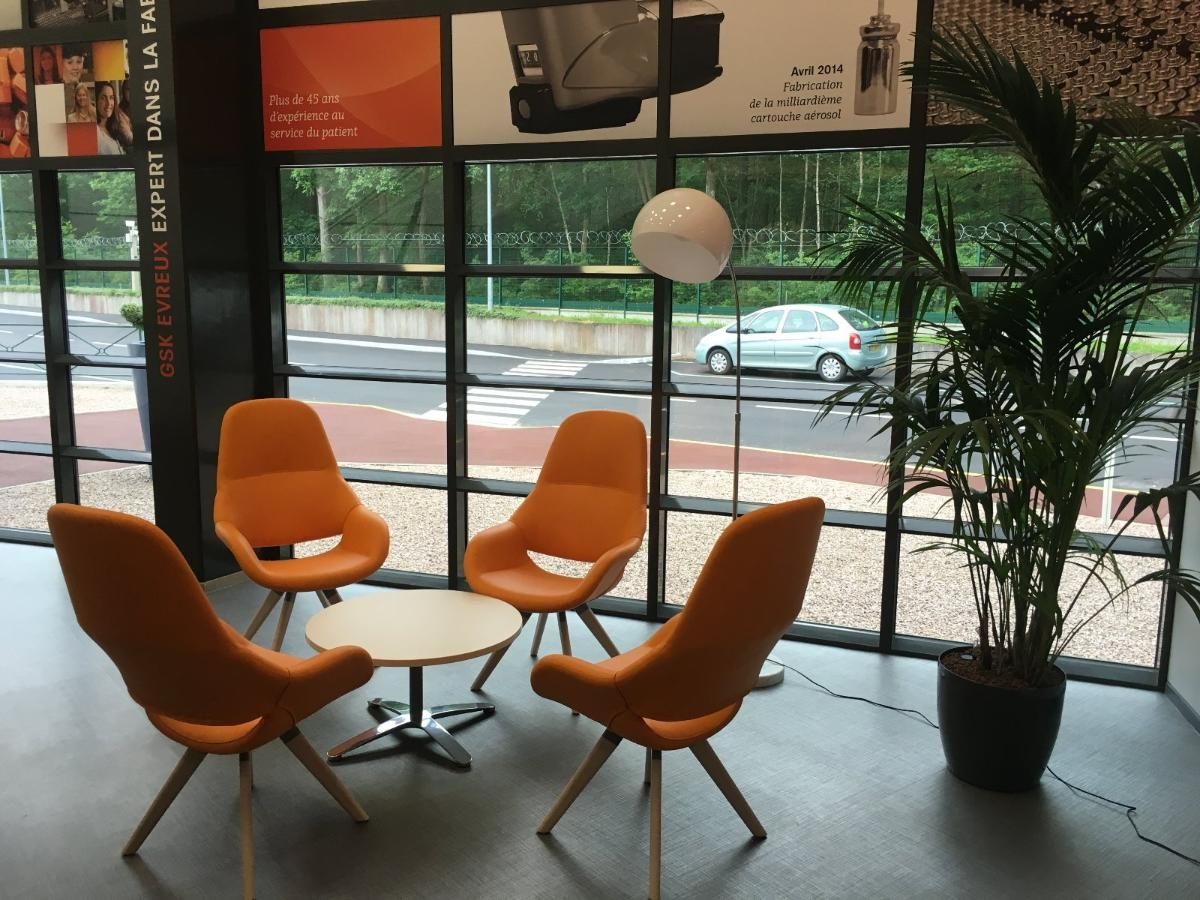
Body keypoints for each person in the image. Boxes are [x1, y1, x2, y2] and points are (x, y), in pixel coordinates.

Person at [95, 81, 130, 154]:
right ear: (96, 101)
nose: (108, 103)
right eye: (103, 98)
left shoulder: (112, 127)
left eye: (111, 98)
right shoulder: (95, 131)